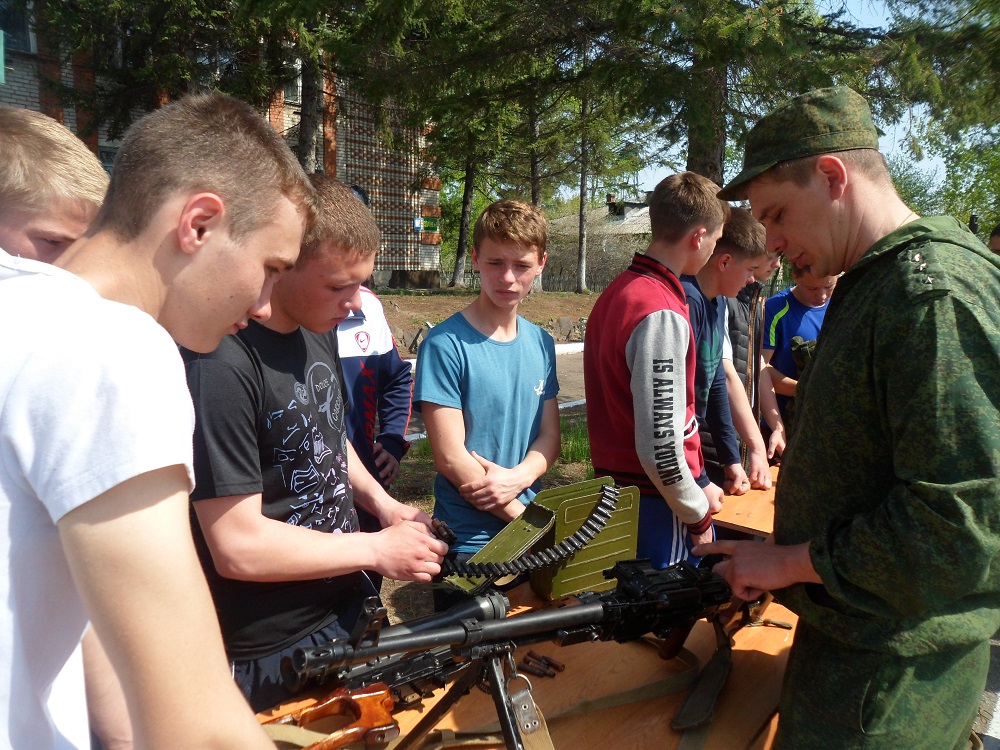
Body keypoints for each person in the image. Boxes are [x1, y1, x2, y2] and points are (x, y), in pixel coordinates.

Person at [0, 91, 315, 750]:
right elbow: (198, 730)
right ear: (198, 224)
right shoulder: (111, 346)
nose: (264, 304)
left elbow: (83, 610)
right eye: (270, 268)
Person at [698, 85, 1000, 750]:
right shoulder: (878, 280)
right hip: (861, 653)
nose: (774, 243)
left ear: (833, 176)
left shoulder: (927, 296)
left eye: (778, 214)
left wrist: (791, 562)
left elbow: (961, 524)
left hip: (888, 682)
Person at [183, 173, 446, 712]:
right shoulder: (221, 363)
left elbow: (326, 435)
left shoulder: (317, 325)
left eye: (361, 284)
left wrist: (385, 506)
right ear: (281, 266)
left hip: (345, 605)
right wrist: (374, 548)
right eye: (338, 286)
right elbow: (236, 546)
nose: (355, 303)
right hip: (271, 645)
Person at [584, 172, 729, 569]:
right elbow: (661, 447)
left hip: (621, 497)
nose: (714, 249)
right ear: (698, 237)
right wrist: (696, 513)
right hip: (657, 507)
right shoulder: (659, 309)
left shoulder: (619, 291)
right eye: (716, 239)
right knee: (670, 606)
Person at [413, 199, 560, 586]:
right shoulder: (445, 344)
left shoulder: (542, 343)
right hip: (469, 542)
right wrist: (522, 519)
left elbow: (549, 437)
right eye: (495, 263)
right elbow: (450, 458)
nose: (507, 278)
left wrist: (519, 478)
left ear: (541, 264)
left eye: (521, 265)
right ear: (476, 258)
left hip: (529, 532)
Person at [683, 207, 767, 496]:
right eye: (750, 270)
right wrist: (699, 479)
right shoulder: (687, 301)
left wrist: (731, 459)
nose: (752, 280)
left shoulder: (717, 302)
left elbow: (716, 380)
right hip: (673, 467)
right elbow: (675, 407)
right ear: (725, 261)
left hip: (693, 459)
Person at [760, 265, 837, 428]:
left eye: (829, 286)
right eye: (812, 288)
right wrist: (807, 391)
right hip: (785, 422)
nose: (822, 295)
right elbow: (760, 368)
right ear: (796, 277)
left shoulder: (842, 304)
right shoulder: (776, 309)